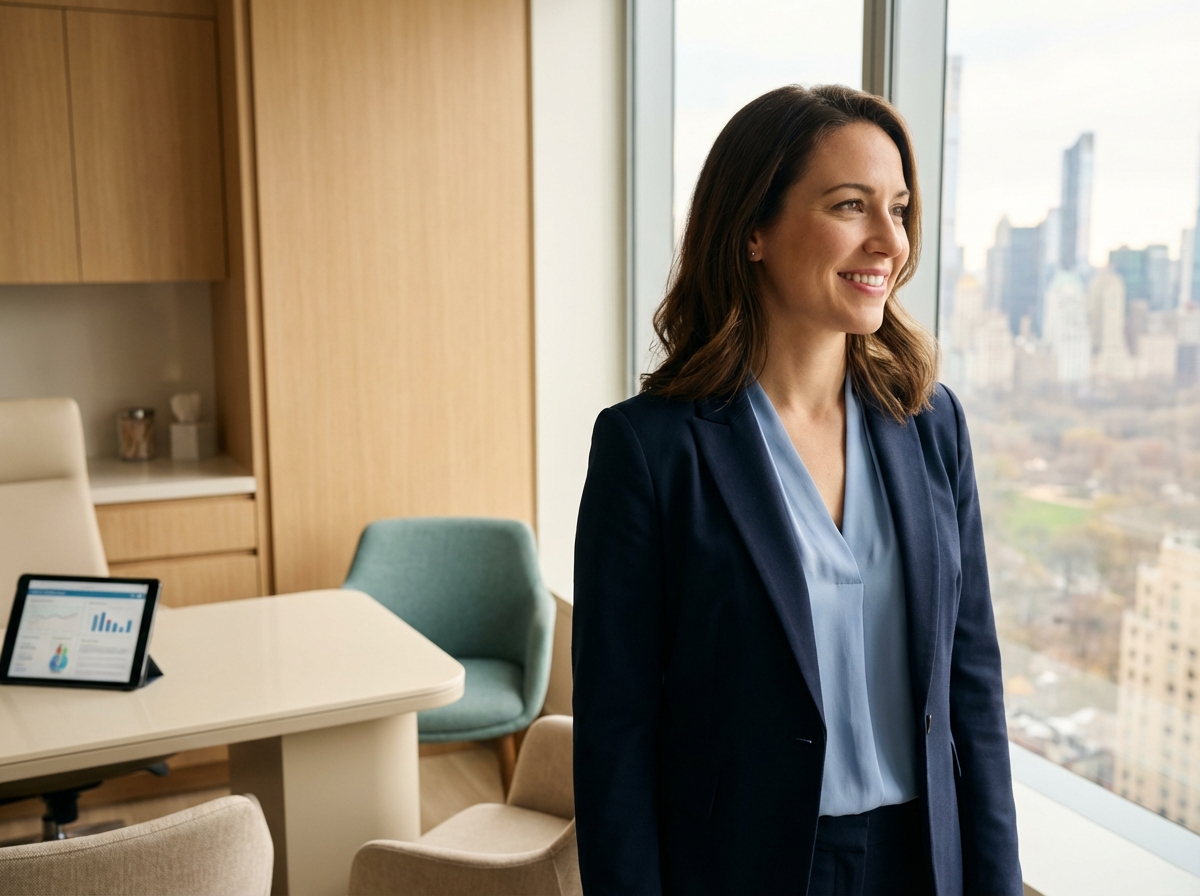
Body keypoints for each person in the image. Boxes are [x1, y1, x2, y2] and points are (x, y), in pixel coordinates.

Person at [571, 84, 1022, 896]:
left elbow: (973, 688)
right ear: (752, 229)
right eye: (852, 206)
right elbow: (616, 736)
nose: (890, 240)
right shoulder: (649, 449)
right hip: (745, 866)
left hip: (924, 860)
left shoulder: (931, 422)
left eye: (900, 208)